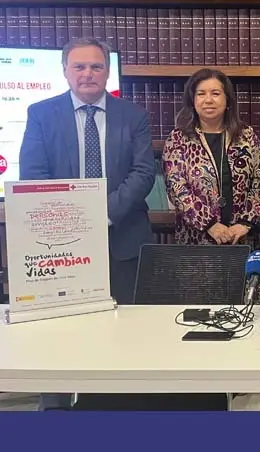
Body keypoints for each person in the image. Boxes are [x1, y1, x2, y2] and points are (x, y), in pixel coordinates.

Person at [19, 37, 155, 410]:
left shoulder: (133, 115)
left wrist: (102, 214)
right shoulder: (41, 115)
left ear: (107, 71)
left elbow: (143, 173)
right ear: (65, 71)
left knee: (124, 329)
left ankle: (120, 407)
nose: (88, 74)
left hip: (123, 239)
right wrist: (76, 223)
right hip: (59, 249)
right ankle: (58, 411)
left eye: (96, 66)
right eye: (79, 66)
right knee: (60, 335)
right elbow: (35, 177)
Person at [162, 68, 260, 295]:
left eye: (215, 93)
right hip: (197, 239)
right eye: (201, 93)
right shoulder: (179, 138)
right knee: (201, 306)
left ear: (227, 100)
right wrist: (209, 225)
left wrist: (246, 222)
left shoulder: (246, 136)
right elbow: (176, 186)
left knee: (245, 307)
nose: (208, 100)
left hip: (243, 237)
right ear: (192, 99)